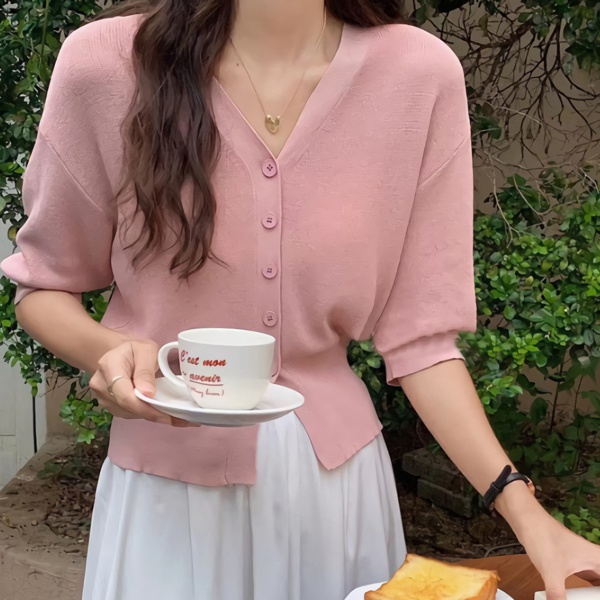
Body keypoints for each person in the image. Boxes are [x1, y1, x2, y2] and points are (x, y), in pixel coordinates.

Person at [2, 1, 599, 599]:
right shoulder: (105, 65)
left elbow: (423, 342)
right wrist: (110, 351)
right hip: (165, 499)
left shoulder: (418, 76)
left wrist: (527, 514)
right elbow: (43, 284)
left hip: (337, 498)